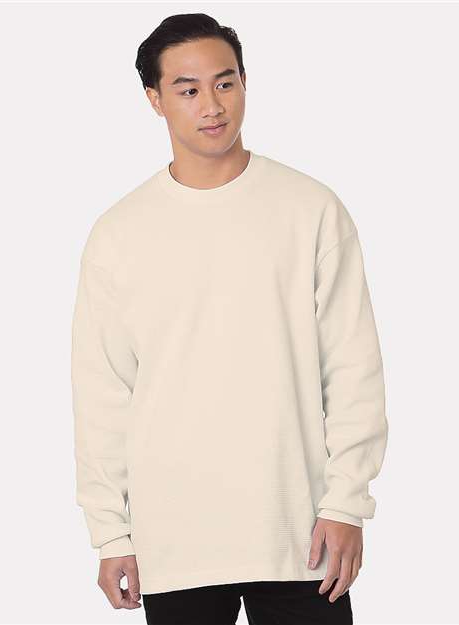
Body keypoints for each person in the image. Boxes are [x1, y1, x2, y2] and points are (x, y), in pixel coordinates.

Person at [71, 13, 389, 625]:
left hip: (302, 535)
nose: (212, 105)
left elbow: (354, 368)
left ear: (245, 82)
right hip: (175, 542)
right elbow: (103, 393)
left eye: (225, 82)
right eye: (188, 89)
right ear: (155, 99)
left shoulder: (311, 210)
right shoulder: (119, 234)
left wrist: (347, 504)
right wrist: (111, 534)